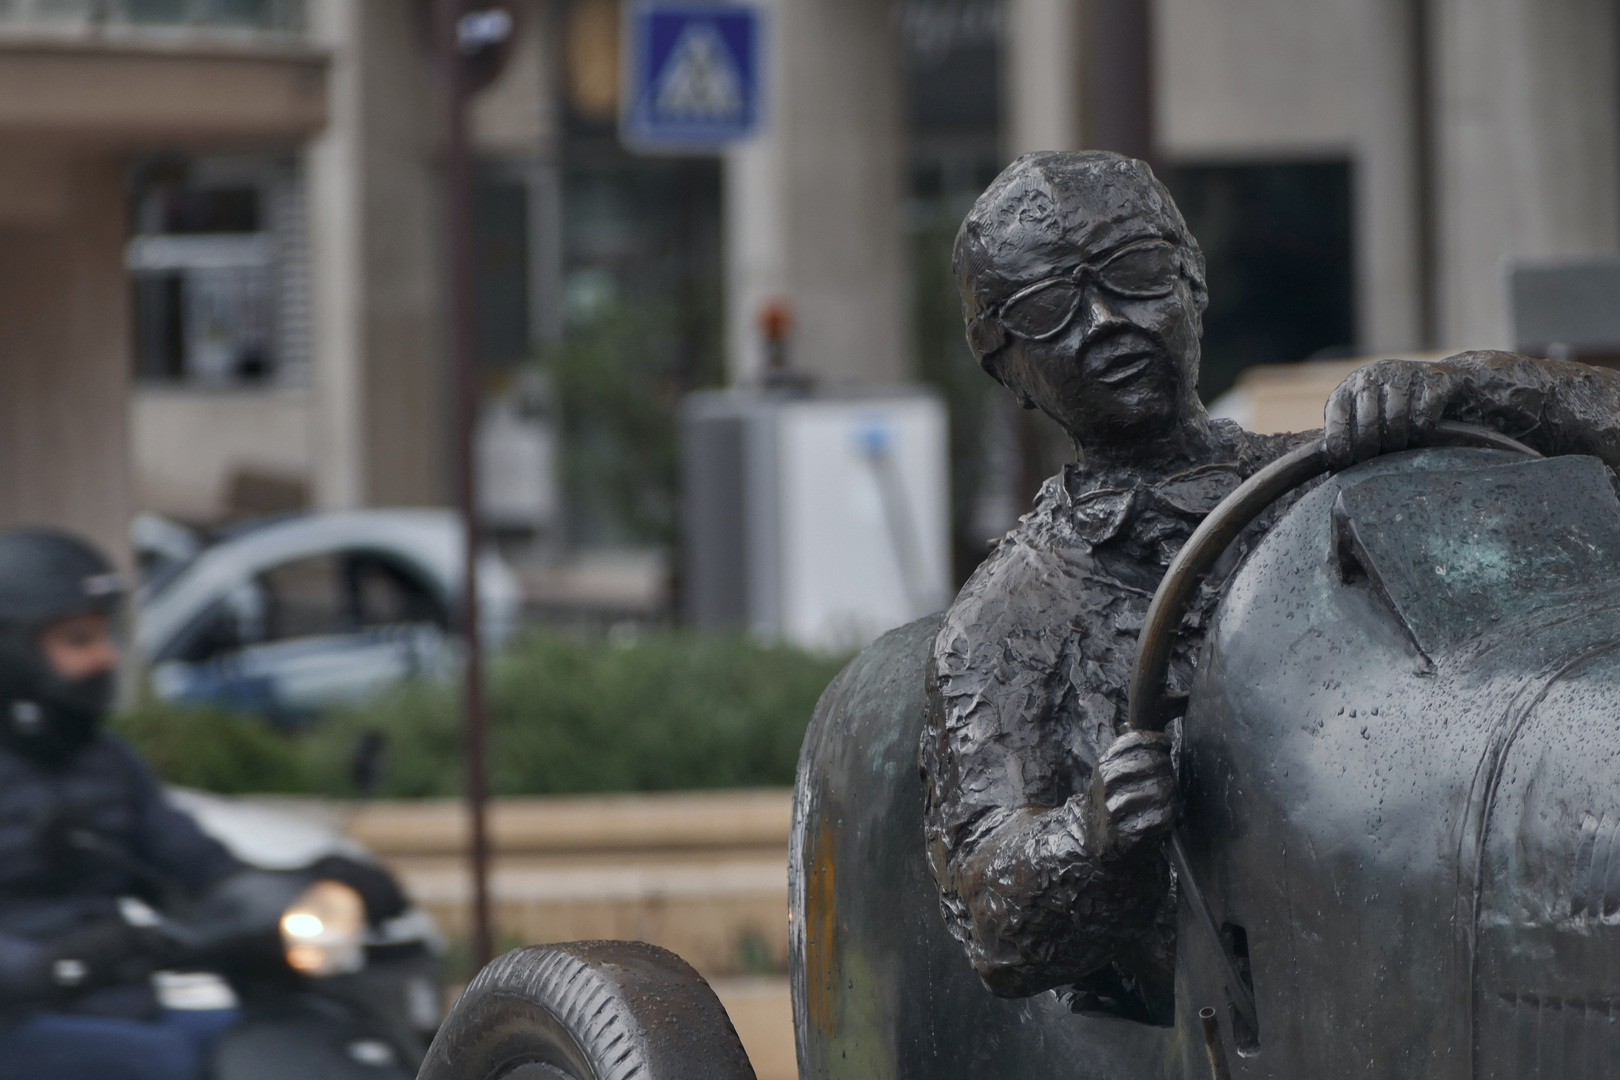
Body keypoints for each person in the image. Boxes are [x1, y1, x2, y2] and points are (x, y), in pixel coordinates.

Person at [918, 149, 1620, 1024]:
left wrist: (1465, 389)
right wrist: (1089, 832)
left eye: (1134, 274)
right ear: (1005, 370)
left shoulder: (1348, 475)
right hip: (1230, 1012)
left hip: (1435, 925)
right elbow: (989, 914)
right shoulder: (1002, 623)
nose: (1102, 321)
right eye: (1048, 309)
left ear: (1193, 285)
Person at [0, 528, 243, 1080]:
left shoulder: (106, 760)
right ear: (10, 649)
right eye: (78, 640)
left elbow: (188, 859)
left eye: (106, 636)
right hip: (17, 1021)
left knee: (280, 1039)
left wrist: (299, 889)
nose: (106, 656)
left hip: (121, 1005)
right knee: (163, 1061)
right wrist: (49, 964)